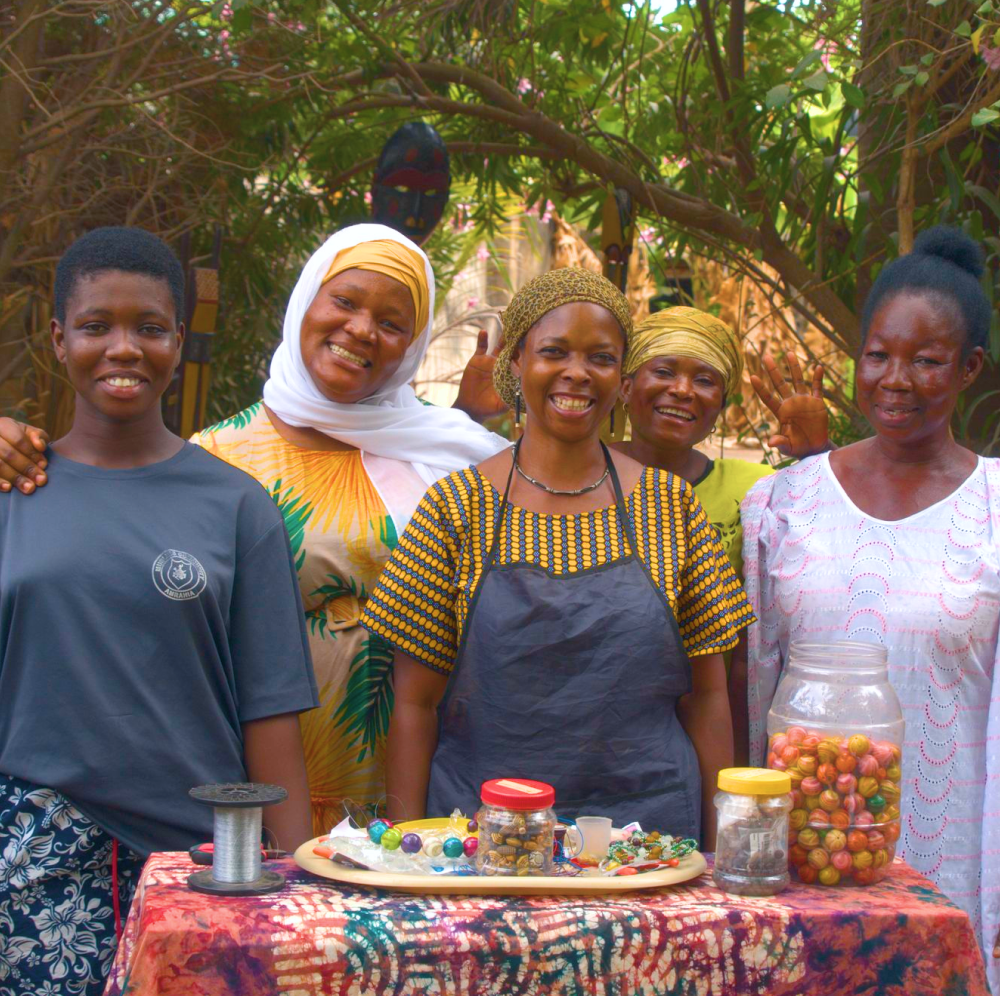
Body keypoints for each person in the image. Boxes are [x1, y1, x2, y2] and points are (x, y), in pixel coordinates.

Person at [0, 224, 508, 838]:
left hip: (411, 776)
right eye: (344, 302)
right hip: (207, 801)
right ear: (305, 303)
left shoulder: (449, 451)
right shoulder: (222, 461)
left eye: (393, 321)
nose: (361, 330)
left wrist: (471, 419)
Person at [0, 227, 317, 996]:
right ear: (57, 339)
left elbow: (270, 709)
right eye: (95, 325)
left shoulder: (237, 506)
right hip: (33, 862)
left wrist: (304, 881)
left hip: (199, 864)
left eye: (148, 327)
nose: (122, 348)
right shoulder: (11, 490)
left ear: (178, 340)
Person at [359, 267, 755, 847]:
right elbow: (414, 705)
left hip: (647, 845)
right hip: (481, 845)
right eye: (553, 352)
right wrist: (407, 848)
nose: (576, 373)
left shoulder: (670, 508)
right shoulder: (456, 508)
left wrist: (723, 854)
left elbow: (709, 697)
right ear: (517, 364)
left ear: (621, 378)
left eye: (601, 357)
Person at [741, 226, 1000, 989]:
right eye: (879, 355)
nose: (896, 379)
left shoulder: (996, 509)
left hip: (953, 857)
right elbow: (752, 686)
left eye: (926, 361)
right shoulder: (782, 505)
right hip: (802, 865)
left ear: (969, 369)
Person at [612, 306, 830, 761]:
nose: (683, 390)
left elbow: (835, 548)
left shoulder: (756, 489)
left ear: (720, 407)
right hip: (604, 720)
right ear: (625, 386)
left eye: (705, 380)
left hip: (716, 727)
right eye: (665, 371)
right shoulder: (581, 472)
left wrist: (818, 457)